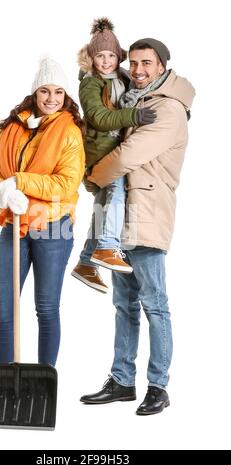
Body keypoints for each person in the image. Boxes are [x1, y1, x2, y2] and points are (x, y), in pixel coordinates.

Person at [80, 38, 195, 414]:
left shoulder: (169, 109)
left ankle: (158, 387)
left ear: (162, 66)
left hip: (146, 214)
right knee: (123, 305)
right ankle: (122, 380)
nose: (139, 70)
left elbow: (129, 154)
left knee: (154, 305)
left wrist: (93, 175)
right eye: (134, 63)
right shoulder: (135, 99)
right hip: (121, 213)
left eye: (147, 63)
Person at [0, 57, 85, 367]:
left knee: (46, 307)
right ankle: (3, 380)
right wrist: (1, 190)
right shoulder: (12, 128)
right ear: (35, 93)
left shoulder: (69, 132)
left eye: (58, 92)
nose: (51, 99)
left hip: (53, 228)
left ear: (65, 95)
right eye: (45, 91)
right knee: (3, 309)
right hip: (14, 224)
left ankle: (44, 379)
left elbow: (67, 183)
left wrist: (20, 181)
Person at [71, 18, 156, 293]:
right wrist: (133, 115)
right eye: (100, 56)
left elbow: (142, 88)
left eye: (110, 55)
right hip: (100, 150)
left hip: (116, 146)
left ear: (117, 55)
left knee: (104, 207)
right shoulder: (91, 83)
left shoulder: (122, 77)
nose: (106, 61)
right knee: (117, 191)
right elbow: (98, 117)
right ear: (92, 58)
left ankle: (86, 263)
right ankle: (107, 246)